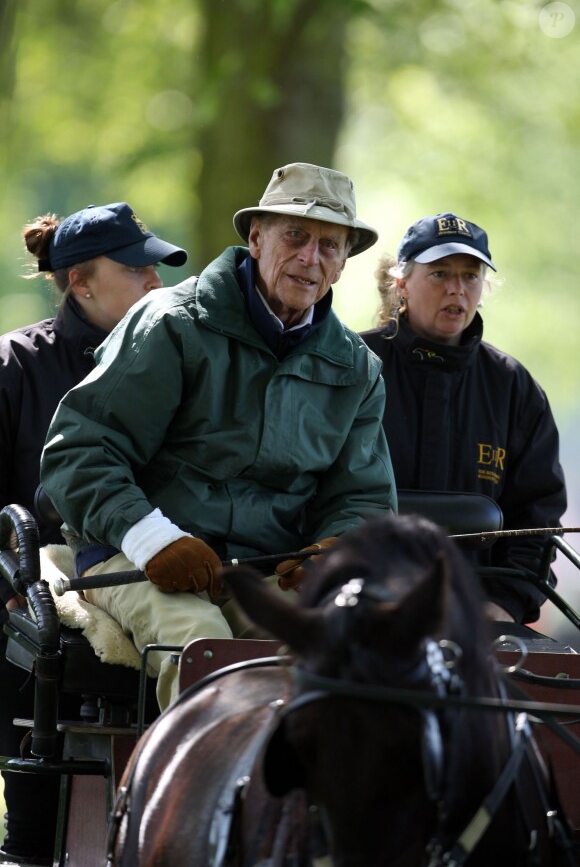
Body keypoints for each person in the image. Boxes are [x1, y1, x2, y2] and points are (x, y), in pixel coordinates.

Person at [40, 161, 397, 713]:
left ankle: (305, 800)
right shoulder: (170, 324)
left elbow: (362, 498)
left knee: (348, 661)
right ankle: (198, 799)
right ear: (256, 238)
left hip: (265, 571)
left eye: (330, 245)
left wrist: (336, 552)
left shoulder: (356, 369)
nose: (311, 257)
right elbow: (80, 452)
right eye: (296, 236)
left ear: (344, 262)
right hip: (133, 557)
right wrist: (153, 539)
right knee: (207, 656)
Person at [0, 201, 187, 866]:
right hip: (35, 589)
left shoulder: (175, 362)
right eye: (136, 269)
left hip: (145, 567)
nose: (154, 283)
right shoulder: (17, 365)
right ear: (80, 281)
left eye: (156, 269)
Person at [360, 212, 567, 626]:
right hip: (359, 605)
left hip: (480, 616)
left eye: (471, 276)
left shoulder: (514, 389)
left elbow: (538, 519)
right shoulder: (351, 366)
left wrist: (503, 605)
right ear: (400, 283)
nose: (457, 289)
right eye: (439, 274)